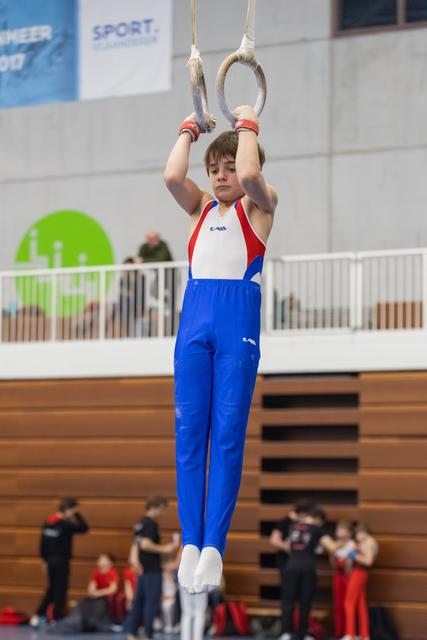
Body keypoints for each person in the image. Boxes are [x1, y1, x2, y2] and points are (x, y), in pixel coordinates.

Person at [164, 105, 278, 594]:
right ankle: (191, 542)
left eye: (228, 168)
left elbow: (252, 171)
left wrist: (247, 122)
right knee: (190, 434)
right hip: (194, 321)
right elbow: (172, 175)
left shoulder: (261, 205)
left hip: (237, 324)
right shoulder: (200, 209)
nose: (222, 176)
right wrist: (190, 129)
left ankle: (214, 547)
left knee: (226, 436)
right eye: (214, 170)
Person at [277, 504, 339, 640]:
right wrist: (346, 543)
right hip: (307, 568)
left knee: (288, 601)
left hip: (291, 566)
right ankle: (303, 633)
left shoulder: (292, 527)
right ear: (318, 519)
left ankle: (286, 633)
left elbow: (288, 546)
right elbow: (332, 547)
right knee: (305, 602)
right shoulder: (317, 529)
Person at [125, 496, 180, 640]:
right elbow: (144, 544)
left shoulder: (140, 523)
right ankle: (149, 634)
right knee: (152, 601)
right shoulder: (150, 524)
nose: (162, 514)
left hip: (142, 568)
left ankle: (133, 632)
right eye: (162, 510)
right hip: (151, 569)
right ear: (156, 507)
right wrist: (165, 549)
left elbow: (135, 545)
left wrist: (134, 560)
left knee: (139, 601)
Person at [30, 497, 89, 628]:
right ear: (68, 510)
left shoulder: (48, 522)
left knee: (51, 589)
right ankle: (55, 619)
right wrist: (77, 514)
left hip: (49, 561)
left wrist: (44, 561)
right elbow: (85, 528)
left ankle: (38, 615)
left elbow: (42, 544)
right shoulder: (65, 524)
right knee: (60, 591)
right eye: (73, 511)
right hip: (61, 561)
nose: (73, 514)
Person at [342, 523, 378, 640]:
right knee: (360, 605)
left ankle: (350, 634)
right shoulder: (363, 543)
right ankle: (364, 635)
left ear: (362, 533)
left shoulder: (369, 542)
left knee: (349, 603)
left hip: (360, 572)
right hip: (357, 572)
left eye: (357, 534)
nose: (356, 537)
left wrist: (353, 554)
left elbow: (368, 561)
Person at [330, 521, 355, 639]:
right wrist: (332, 551)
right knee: (338, 605)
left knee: (348, 605)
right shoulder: (335, 545)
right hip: (338, 577)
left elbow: (349, 567)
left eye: (343, 529)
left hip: (349, 577)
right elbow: (333, 565)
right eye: (339, 529)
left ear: (349, 533)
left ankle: (350, 632)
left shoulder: (353, 545)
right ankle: (339, 632)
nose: (340, 532)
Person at [87, 553, 120, 617]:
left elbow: (113, 589)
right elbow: (91, 588)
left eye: (104, 560)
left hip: (107, 597)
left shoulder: (112, 573)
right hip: (98, 596)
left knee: (101, 604)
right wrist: (93, 593)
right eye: (100, 560)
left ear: (111, 563)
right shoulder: (96, 572)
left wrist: (98, 593)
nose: (102, 562)